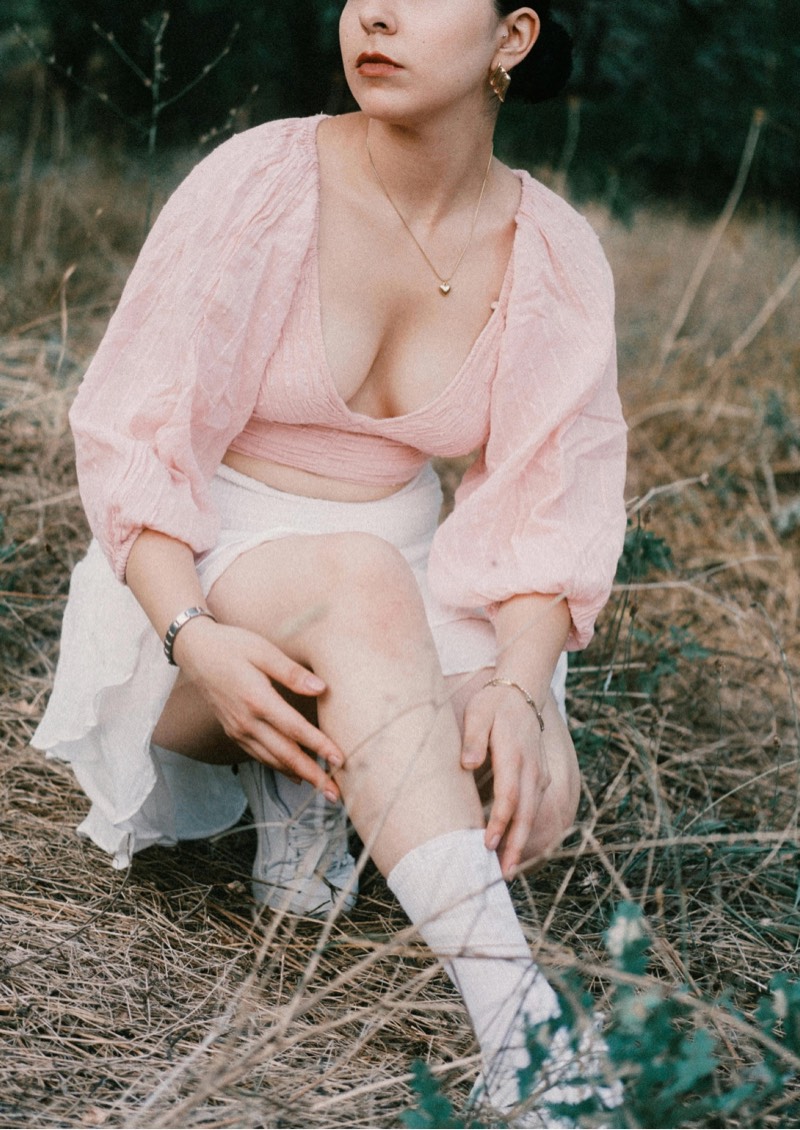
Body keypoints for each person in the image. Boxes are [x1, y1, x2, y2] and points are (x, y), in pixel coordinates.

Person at [33, 1, 627, 1121]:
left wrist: (519, 688)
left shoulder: (551, 250)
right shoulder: (261, 181)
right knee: (357, 581)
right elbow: (133, 440)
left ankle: (317, 777)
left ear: (511, 38)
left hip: (405, 571)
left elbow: (552, 497)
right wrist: (191, 636)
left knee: (527, 775)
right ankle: (530, 1037)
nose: (376, 14)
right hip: (199, 575)